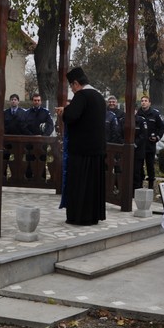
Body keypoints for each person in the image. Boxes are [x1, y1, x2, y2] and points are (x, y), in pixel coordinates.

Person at [56, 67, 106, 225]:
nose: (72, 89)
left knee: (80, 185)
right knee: (92, 186)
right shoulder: (98, 96)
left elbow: (72, 116)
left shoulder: (82, 95)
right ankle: (93, 216)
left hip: (81, 150)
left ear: (76, 83)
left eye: (71, 86)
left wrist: (63, 112)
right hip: (97, 149)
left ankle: (79, 217)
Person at [136, 96, 164, 189]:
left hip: (150, 144)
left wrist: (157, 137)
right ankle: (139, 185)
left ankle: (151, 185)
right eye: (142, 101)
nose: (143, 102)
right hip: (140, 145)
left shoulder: (155, 114)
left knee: (150, 165)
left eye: (145, 101)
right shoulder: (137, 113)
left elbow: (162, 127)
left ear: (149, 103)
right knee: (139, 166)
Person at [132, 113, 149, 194]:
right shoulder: (123, 120)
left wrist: (134, 144)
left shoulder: (141, 120)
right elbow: (119, 133)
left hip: (138, 151)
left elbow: (144, 134)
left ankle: (136, 190)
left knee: (137, 172)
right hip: (126, 151)